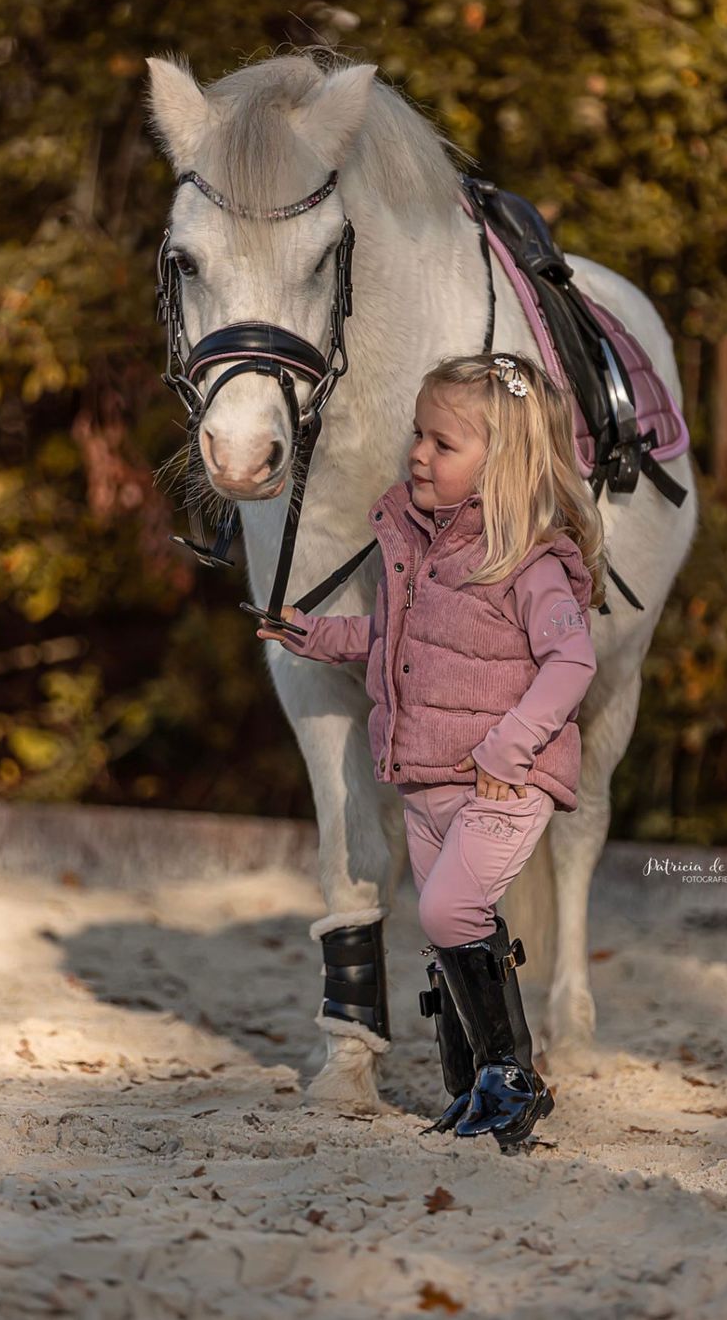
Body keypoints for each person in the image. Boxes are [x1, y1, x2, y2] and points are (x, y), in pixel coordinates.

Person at [256, 352, 605, 1152]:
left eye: (443, 445)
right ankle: (474, 1082)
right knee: (446, 927)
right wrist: (310, 634)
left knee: (452, 911)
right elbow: (391, 639)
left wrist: (511, 748)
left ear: (501, 464)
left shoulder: (532, 563)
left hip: (501, 782)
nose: (417, 453)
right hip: (428, 777)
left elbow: (573, 664)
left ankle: (511, 1080)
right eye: (418, 434)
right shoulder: (422, 548)